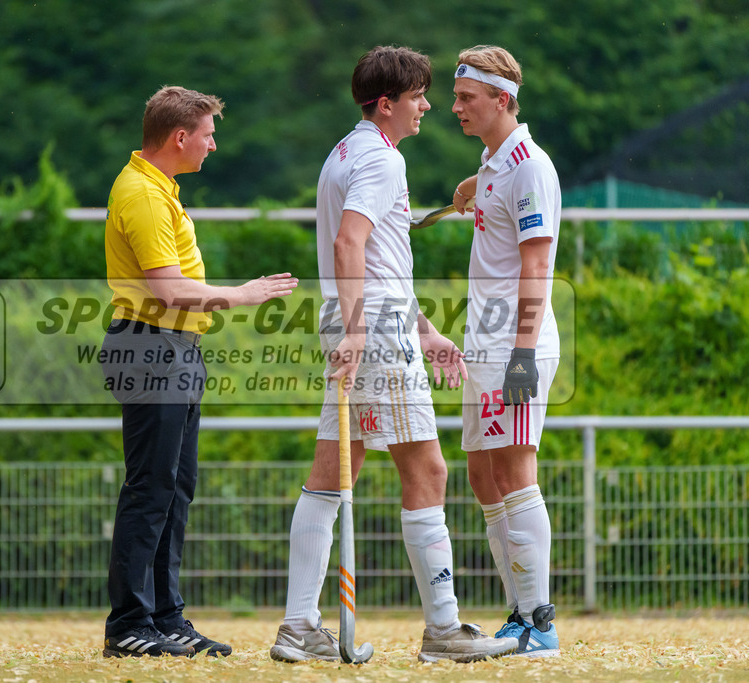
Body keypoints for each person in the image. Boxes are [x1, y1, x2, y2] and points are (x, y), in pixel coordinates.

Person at [269, 45, 518, 664]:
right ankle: (443, 629)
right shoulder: (382, 161)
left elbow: (378, 263)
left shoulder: (346, 151)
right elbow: (351, 244)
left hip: (367, 322)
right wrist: (360, 330)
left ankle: (298, 626)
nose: (428, 107)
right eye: (417, 98)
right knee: (428, 471)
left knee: (332, 474)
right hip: (371, 330)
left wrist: (425, 329)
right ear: (388, 105)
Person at [99, 85, 298, 658]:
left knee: (175, 488)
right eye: (208, 134)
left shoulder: (160, 189)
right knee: (150, 488)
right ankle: (128, 625)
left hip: (175, 348)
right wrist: (242, 295)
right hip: (151, 347)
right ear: (180, 136)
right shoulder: (140, 193)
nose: (214, 145)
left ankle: (165, 617)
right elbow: (168, 287)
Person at [449, 45, 562, 657]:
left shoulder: (529, 166)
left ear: (504, 100)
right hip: (483, 343)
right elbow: (493, 184)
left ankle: (537, 621)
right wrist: (474, 183)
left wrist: (521, 353)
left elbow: (537, 264)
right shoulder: (497, 160)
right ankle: (517, 612)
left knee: (515, 470)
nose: (456, 107)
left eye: (468, 98)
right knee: (483, 472)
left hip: (514, 346)